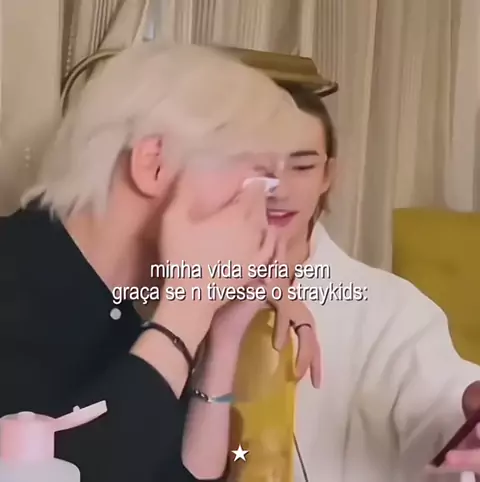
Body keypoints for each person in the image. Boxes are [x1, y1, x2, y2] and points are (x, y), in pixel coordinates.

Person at [0, 43, 322, 482]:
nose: (264, 214)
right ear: (153, 164)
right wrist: (184, 314)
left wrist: (223, 337)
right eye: (258, 183)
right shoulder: (15, 277)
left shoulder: (128, 315)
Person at [222, 84, 480, 482]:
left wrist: (465, 423)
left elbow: (441, 402)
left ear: (328, 175)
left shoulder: (392, 309)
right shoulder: (168, 298)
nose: (279, 190)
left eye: (302, 167)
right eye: (258, 166)